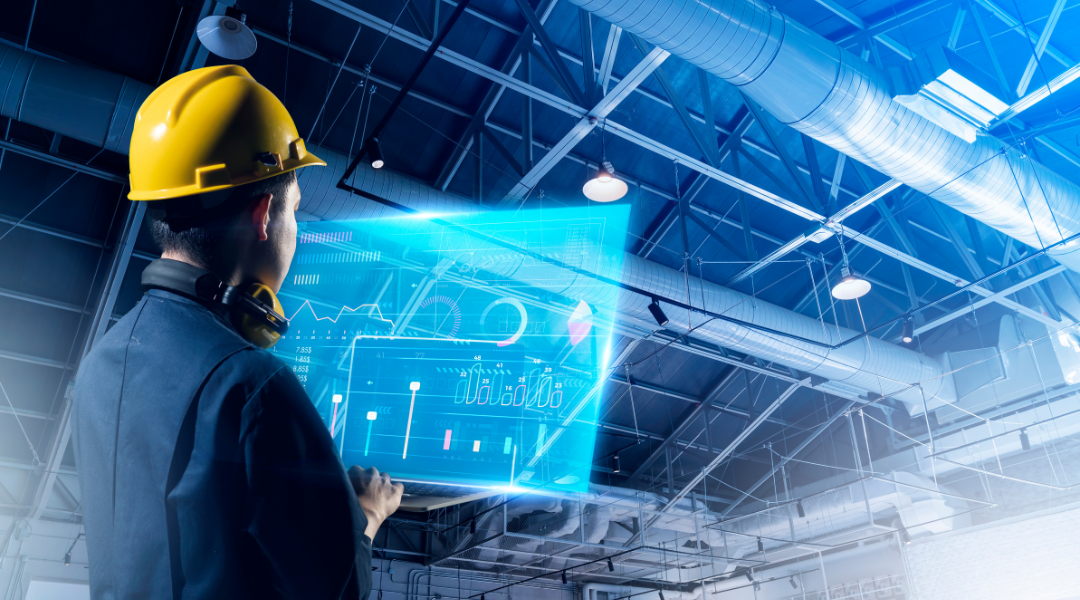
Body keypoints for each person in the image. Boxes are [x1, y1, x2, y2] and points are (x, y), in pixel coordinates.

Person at [71, 65, 402, 599]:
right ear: (265, 214)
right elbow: (337, 591)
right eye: (295, 209)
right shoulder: (249, 385)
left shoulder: (100, 367)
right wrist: (364, 514)